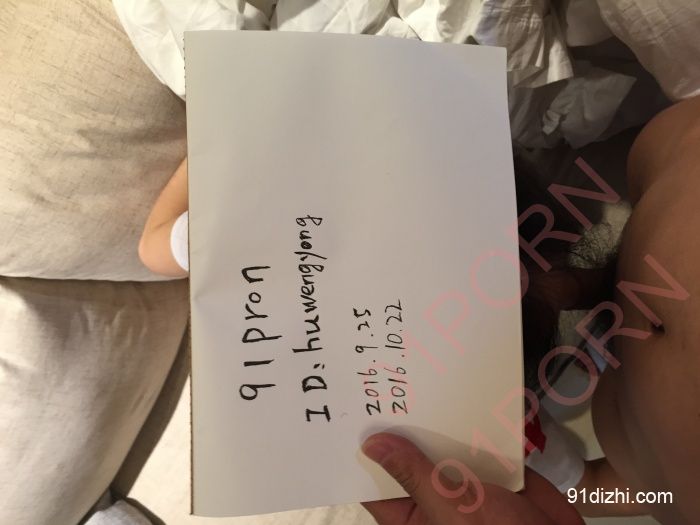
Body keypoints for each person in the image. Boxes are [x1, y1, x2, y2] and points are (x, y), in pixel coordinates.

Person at [139, 96, 700, 524]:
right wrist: (661, 492)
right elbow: (591, 489)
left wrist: (659, 491)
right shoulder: (490, 437)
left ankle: (581, 285)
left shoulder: (231, 237)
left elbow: (153, 246)